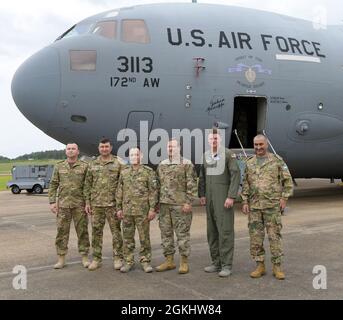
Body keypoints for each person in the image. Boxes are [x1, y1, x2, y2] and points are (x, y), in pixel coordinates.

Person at [241, 134, 293, 280]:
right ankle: (260, 266)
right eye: (256, 145)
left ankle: (277, 267)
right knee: (256, 238)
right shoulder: (249, 163)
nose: (258, 148)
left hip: (272, 206)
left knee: (274, 237)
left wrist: (284, 197)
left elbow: (287, 181)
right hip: (255, 207)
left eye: (261, 145)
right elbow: (245, 183)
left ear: (266, 144)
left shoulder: (277, 161)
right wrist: (244, 201)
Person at [199, 130, 241, 277]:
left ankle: (226, 265)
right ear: (208, 140)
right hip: (209, 199)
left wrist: (231, 196)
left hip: (223, 198)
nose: (213, 140)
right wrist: (202, 194)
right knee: (212, 232)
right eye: (211, 138)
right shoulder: (205, 155)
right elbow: (202, 176)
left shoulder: (228, 154)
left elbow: (236, 175)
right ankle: (215, 263)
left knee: (225, 232)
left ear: (220, 138)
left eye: (216, 137)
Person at [156, 138, 197, 274]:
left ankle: (184, 262)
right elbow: (158, 186)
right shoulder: (162, 165)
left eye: (173, 147)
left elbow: (191, 185)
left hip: (180, 206)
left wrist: (188, 202)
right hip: (164, 206)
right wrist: (156, 204)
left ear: (179, 148)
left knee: (182, 235)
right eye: (169, 147)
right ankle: (169, 261)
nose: (171, 149)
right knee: (166, 234)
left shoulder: (186, 164)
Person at [84, 138, 124, 271]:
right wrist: (88, 202)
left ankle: (118, 258)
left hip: (113, 204)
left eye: (106, 147)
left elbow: (123, 184)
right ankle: (96, 259)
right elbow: (87, 184)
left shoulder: (118, 163)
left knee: (116, 233)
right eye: (102, 147)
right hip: (96, 205)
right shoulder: (93, 164)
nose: (104, 149)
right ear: (99, 148)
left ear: (111, 148)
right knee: (96, 233)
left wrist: (121, 205)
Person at [116, 148, 159, 273]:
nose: (134, 156)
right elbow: (119, 191)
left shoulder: (148, 172)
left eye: (136, 154)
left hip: (143, 212)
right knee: (127, 238)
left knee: (144, 238)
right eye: (132, 155)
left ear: (141, 155)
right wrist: (119, 208)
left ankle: (145, 261)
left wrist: (152, 209)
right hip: (127, 212)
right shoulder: (124, 172)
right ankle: (128, 261)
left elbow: (153, 192)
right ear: (129, 157)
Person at [49, 143, 90, 269]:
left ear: (78, 151)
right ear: (66, 151)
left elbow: (88, 186)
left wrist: (88, 202)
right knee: (62, 232)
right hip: (63, 205)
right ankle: (61, 259)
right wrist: (52, 202)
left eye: (73, 149)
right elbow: (54, 184)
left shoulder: (85, 166)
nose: (71, 151)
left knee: (82, 231)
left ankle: (84, 257)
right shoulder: (59, 166)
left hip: (79, 205)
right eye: (69, 149)